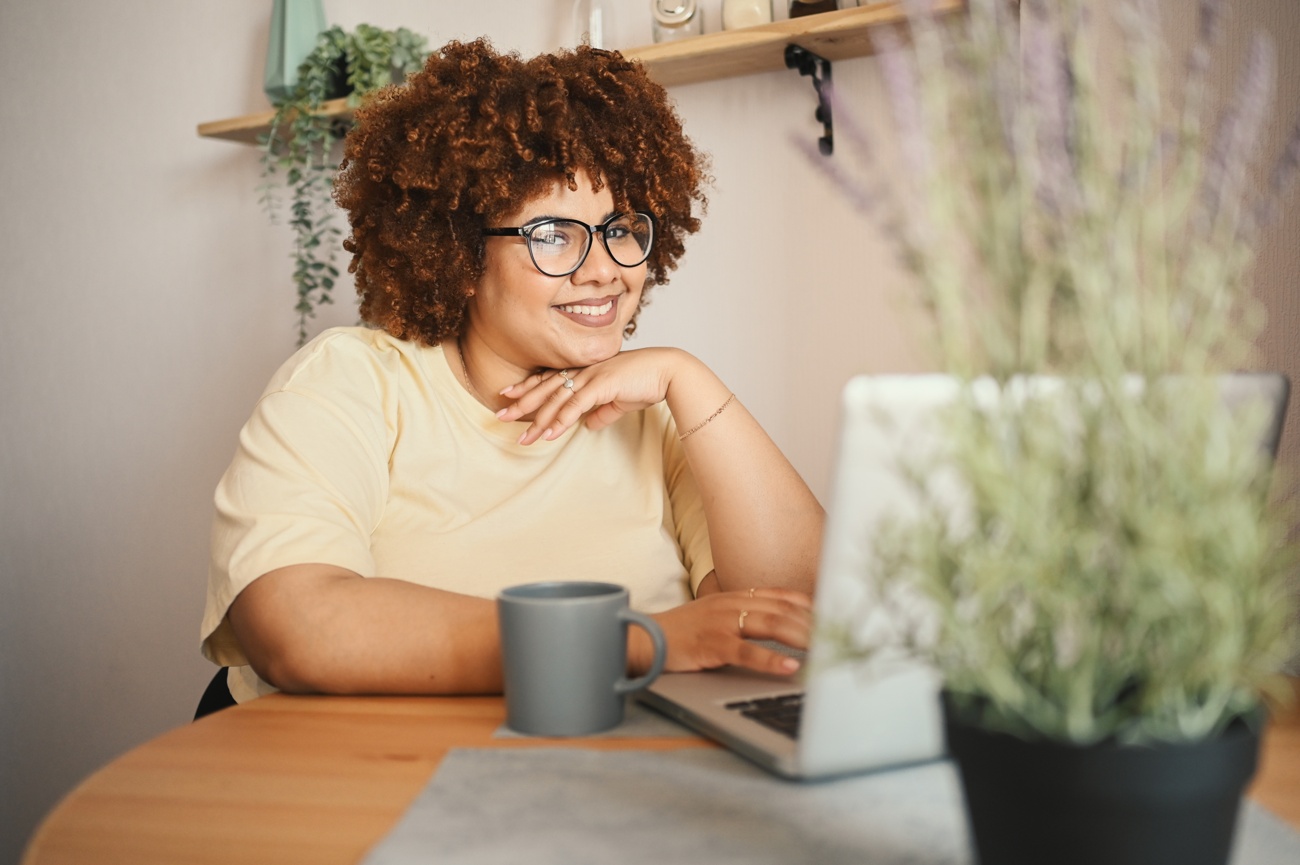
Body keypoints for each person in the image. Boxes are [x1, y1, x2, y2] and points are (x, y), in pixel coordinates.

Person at [199, 38, 824, 706]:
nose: (605, 269)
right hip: (372, 783)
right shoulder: (350, 382)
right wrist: (641, 638)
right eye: (552, 233)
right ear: (460, 253)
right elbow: (298, 624)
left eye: (620, 228)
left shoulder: (657, 413)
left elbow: (789, 617)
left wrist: (690, 379)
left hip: (607, 777)